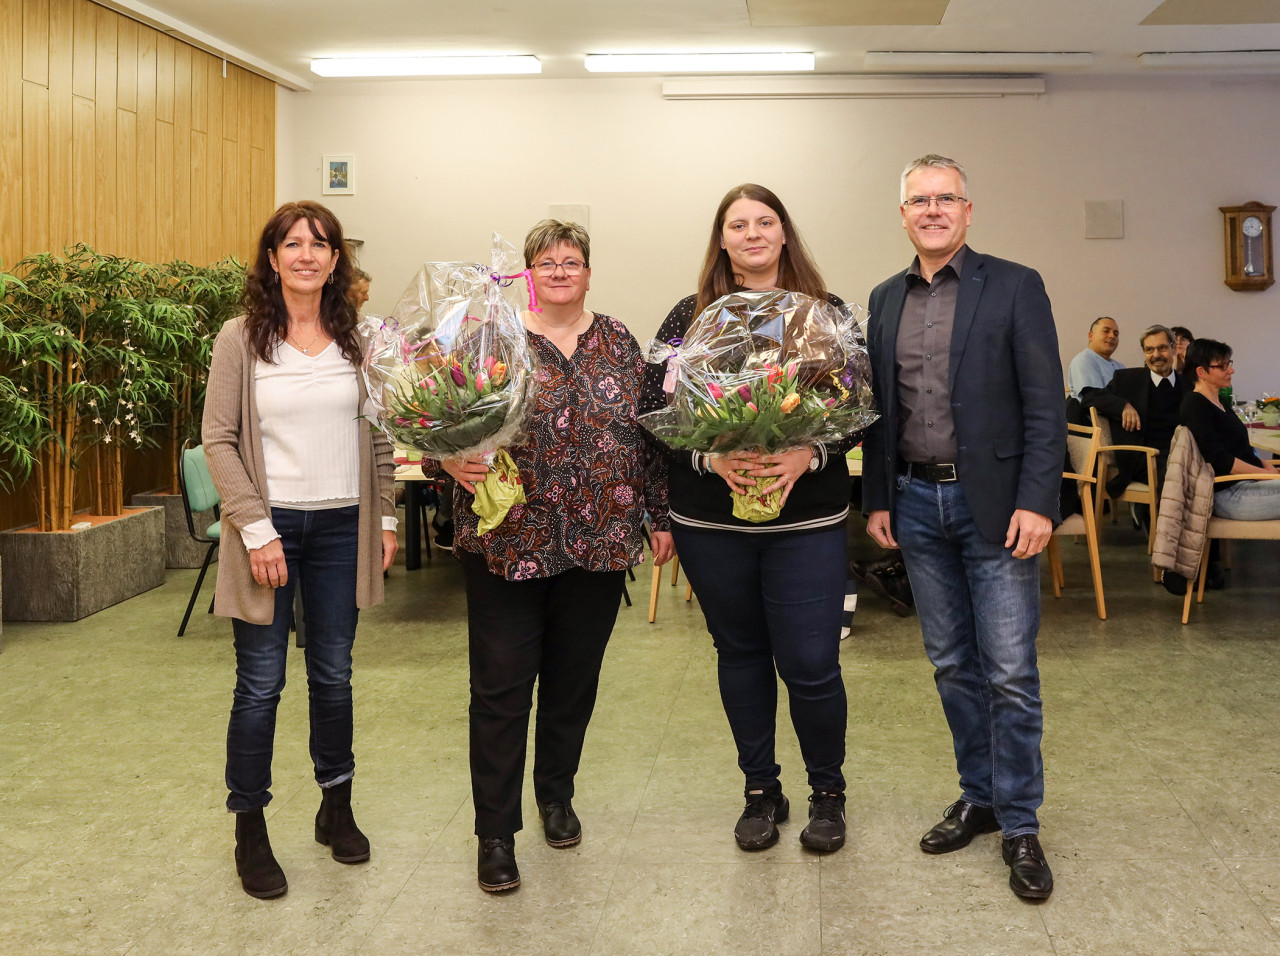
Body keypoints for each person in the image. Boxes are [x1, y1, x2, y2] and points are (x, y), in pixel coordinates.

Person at [436, 220, 673, 893]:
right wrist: (447, 458)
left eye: (572, 261)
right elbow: (434, 418)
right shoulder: (493, 337)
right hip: (508, 541)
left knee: (572, 686)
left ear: (589, 273)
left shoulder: (621, 342)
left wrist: (658, 517)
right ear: (528, 274)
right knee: (502, 690)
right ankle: (495, 833)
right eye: (548, 261)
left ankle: (556, 794)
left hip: (599, 544)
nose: (561, 270)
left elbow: (651, 437)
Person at [863, 154, 1064, 901]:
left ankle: (1020, 822)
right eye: (919, 199)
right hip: (915, 504)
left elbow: (1047, 404)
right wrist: (878, 498)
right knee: (951, 664)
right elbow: (881, 411)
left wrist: (1040, 500)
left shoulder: (1014, 285)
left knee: (1009, 672)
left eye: (946, 198)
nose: (934, 209)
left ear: (969, 211)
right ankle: (978, 797)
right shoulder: (884, 299)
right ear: (904, 214)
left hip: (999, 509)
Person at [640, 184, 855, 856]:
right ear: (722, 238)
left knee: (813, 662)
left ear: (785, 233)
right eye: (739, 224)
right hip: (713, 522)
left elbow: (860, 406)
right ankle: (760, 789)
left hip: (808, 520)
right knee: (739, 654)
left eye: (766, 222)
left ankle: (828, 792)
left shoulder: (827, 314)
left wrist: (807, 453)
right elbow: (654, 413)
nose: (753, 233)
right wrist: (712, 457)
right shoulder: (688, 316)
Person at [203, 200, 399, 900]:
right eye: (292, 244)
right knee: (260, 685)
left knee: (334, 675)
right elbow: (219, 440)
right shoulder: (241, 338)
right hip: (271, 528)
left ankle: (335, 807)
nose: (307, 255)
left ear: (336, 259)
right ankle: (249, 829)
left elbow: (380, 431)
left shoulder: (362, 338)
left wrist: (386, 518)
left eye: (320, 244)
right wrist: (257, 529)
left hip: (343, 526)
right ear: (272, 258)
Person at [1083, 325, 1191, 503]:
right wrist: (1122, 405)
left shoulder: (1188, 384)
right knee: (1175, 473)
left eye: (1162, 348)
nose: (1156, 355)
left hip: (1183, 453)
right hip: (1144, 457)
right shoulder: (1127, 380)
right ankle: (1163, 529)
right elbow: (1088, 397)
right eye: (1149, 350)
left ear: (1173, 348)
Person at [1181, 339, 1280, 519]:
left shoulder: (1220, 402)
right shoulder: (1194, 405)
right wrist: (1266, 475)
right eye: (1223, 366)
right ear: (1201, 372)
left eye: (1229, 364)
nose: (1231, 370)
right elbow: (1220, 459)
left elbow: (1244, 450)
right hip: (1230, 494)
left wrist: (1268, 469)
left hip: (1247, 483)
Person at [1066, 316, 1123, 398]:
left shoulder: (1120, 367)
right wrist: (1123, 406)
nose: (1112, 336)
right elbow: (1092, 396)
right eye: (1106, 331)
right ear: (1091, 336)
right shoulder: (1084, 360)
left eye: (1116, 334)